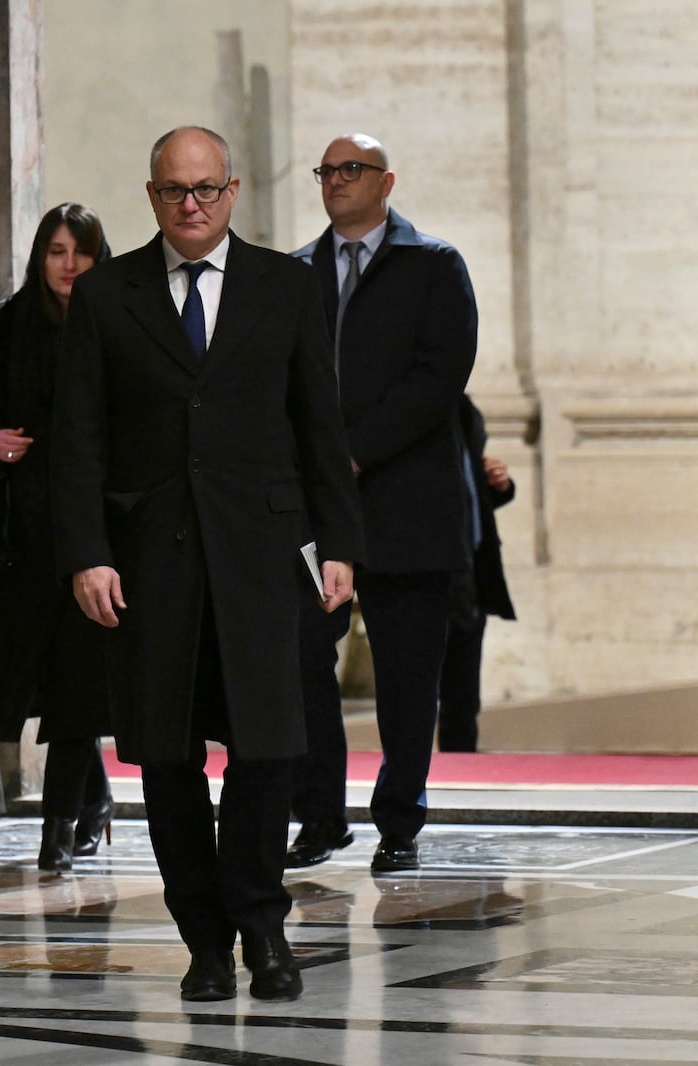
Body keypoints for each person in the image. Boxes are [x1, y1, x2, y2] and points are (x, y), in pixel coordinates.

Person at [51, 126, 363, 1005]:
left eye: (206, 189)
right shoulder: (107, 297)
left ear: (232, 192)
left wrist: (340, 544)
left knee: (268, 750)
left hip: (266, 557)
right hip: (149, 563)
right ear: (151, 197)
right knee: (167, 756)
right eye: (173, 191)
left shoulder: (287, 287)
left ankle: (263, 927)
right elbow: (77, 443)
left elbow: (318, 425)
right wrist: (86, 554)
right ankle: (203, 939)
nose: (191, 205)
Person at [286, 134, 478, 874]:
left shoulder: (433, 265)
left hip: (407, 501)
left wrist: (355, 450)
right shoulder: (296, 272)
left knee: (406, 675)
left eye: (351, 169)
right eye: (328, 170)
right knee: (307, 661)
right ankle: (320, 816)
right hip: (315, 507)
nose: (336, 180)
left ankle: (399, 820)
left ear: (386, 180)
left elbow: (439, 379)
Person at [0, 202, 114, 873]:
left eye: (79, 250)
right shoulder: (1, 332)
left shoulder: (119, 324)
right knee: (48, 678)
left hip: (96, 526)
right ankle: (97, 801)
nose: (68, 264)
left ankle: (59, 824)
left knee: (80, 677)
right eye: (56, 250)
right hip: (27, 531)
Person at [438, 395, 516, 752]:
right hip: (434, 566)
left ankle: (460, 763)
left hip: (471, 567)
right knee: (425, 688)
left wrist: (499, 487)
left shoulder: (464, 410)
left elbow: (467, 497)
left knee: (464, 691)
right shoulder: (423, 410)